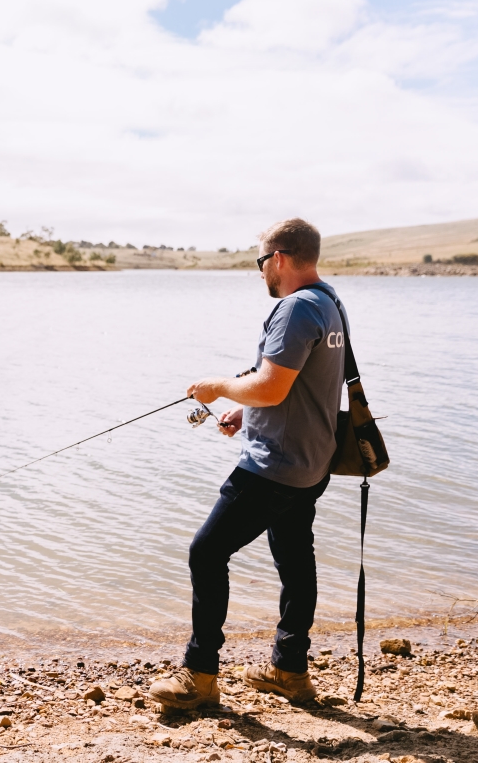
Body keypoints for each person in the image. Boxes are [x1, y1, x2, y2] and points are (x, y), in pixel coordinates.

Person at [149, 218, 346, 709]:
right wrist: (247, 408)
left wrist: (217, 387)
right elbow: (293, 382)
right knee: (296, 561)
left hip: (272, 467)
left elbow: (272, 385)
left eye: (261, 262)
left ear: (278, 258)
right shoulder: (330, 302)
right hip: (312, 462)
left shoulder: (296, 308)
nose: (260, 273)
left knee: (207, 553)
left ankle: (200, 677)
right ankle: (291, 670)